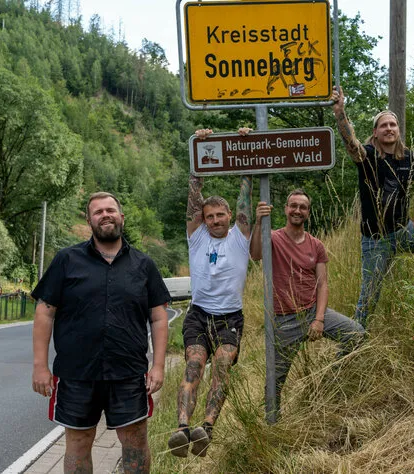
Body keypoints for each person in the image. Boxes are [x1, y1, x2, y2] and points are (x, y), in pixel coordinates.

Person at [31, 192, 170, 474]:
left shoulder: (144, 265)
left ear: (121, 217)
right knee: (79, 441)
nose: (105, 215)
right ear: (89, 221)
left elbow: (158, 317)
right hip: (76, 373)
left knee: (135, 441)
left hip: (129, 373)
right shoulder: (66, 260)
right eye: (98, 212)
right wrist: (39, 366)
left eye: (110, 210)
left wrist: (158, 366)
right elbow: (44, 312)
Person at [168, 128, 253, 458]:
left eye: (220, 215)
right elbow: (194, 192)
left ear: (230, 216)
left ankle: (207, 426)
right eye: (209, 216)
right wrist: (199, 150)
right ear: (202, 220)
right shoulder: (197, 236)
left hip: (230, 315)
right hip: (199, 313)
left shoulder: (239, 236)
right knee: (193, 366)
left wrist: (245, 150)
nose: (215, 220)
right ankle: (182, 428)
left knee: (221, 365)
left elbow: (245, 192)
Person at [330, 87, 414, 328]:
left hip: (403, 231)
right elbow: (351, 145)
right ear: (375, 133)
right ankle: (351, 348)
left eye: (393, 125)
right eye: (384, 125)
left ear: (398, 130)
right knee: (368, 300)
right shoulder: (367, 156)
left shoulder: (408, 158)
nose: (389, 128)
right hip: (375, 239)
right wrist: (340, 113)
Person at [251, 190, 365, 413]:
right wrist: (258, 223)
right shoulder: (273, 238)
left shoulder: (316, 245)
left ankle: (330, 383)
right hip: (284, 319)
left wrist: (320, 320)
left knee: (357, 335)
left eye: (302, 207)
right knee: (275, 380)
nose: (297, 210)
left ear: (308, 213)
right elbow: (255, 255)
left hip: (312, 311)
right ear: (285, 209)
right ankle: (272, 421)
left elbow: (322, 284)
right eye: (293, 205)